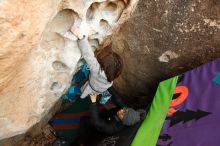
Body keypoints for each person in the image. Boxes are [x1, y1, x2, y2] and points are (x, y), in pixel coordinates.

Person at [71, 27, 123, 99]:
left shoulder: (97, 70)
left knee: (73, 90)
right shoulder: (111, 80)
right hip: (94, 88)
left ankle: (69, 95)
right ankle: (77, 82)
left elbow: (88, 55)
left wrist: (81, 37)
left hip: (86, 87)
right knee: (86, 68)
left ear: (105, 66)